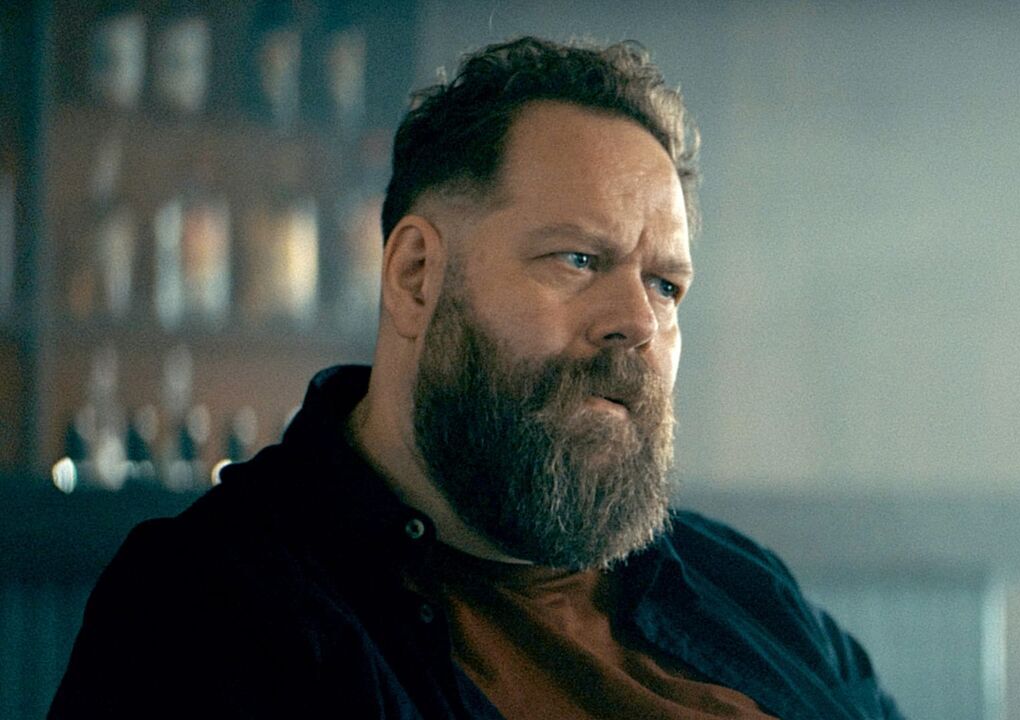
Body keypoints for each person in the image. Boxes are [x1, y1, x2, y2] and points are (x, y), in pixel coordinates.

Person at [50, 37, 904, 720]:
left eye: (665, 285)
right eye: (578, 258)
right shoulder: (212, 609)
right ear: (416, 275)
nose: (638, 323)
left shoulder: (737, 581)